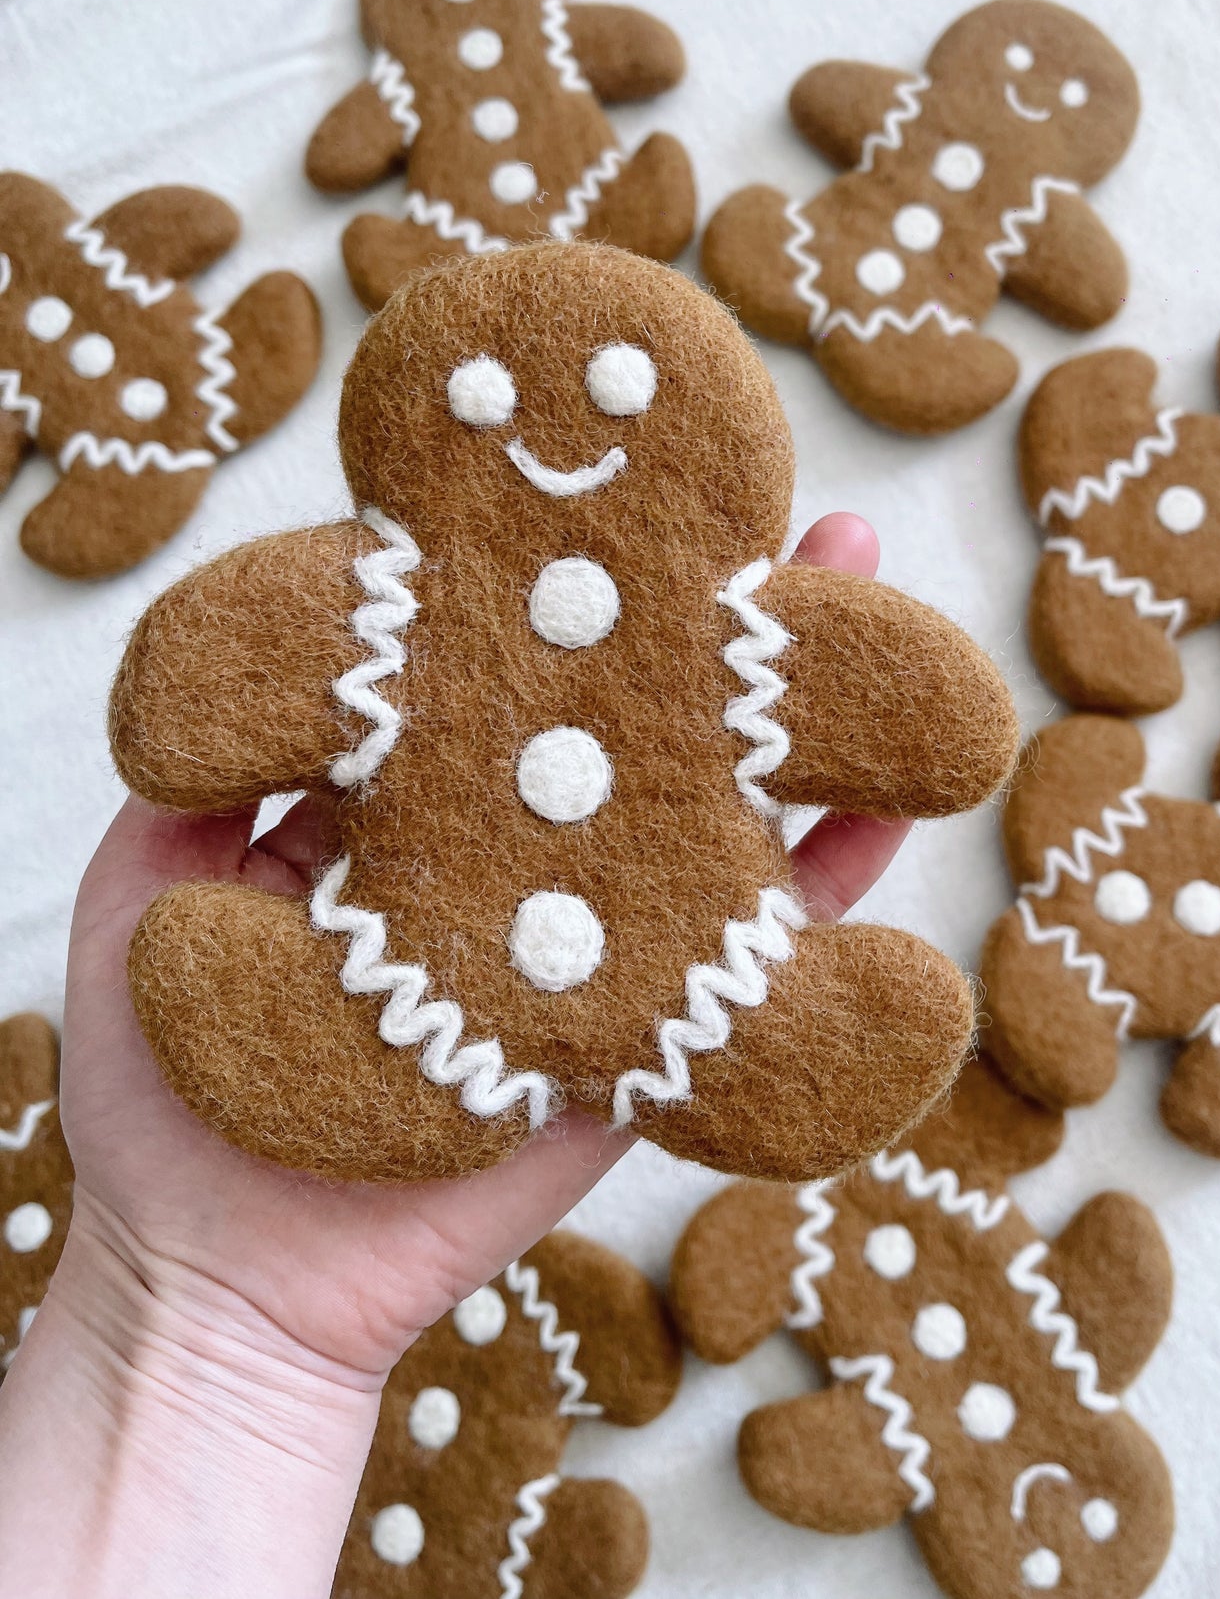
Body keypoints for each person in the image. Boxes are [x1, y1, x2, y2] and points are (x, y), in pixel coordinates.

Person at [0, 514, 914, 1596]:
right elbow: (211, 679)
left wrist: (204, 1321)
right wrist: (203, 1308)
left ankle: (752, 1021)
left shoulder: (733, 641)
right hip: (402, 986)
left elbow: (924, 713)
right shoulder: (390, 593)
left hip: (675, 984)